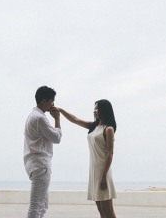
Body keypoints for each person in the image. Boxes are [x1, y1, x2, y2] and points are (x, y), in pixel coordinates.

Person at [55, 99, 118, 218]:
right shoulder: (94, 126)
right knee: (100, 209)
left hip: (103, 171)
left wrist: (103, 176)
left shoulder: (108, 129)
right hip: (94, 171)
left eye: (97, 108)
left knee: (108, 210)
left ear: (104, 110)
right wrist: (61, 110)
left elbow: (110, 153)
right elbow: (75, 120)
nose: (94, 111)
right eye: (94, 108)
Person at [23, 86, 62, 218]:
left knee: (43, 204)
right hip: (40, 165)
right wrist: (57, 118)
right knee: (36, 206)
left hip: (35, 164)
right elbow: (56, 138)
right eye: (52, 101)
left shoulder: (33, 116)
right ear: (44, 101)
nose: (53, 105)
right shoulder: (40, 118)